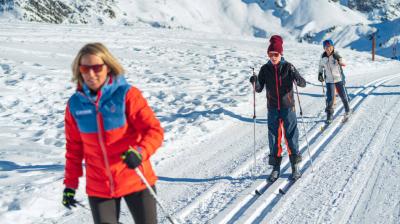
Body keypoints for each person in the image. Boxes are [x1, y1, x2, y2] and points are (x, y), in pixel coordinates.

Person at [61, 43, 164, 224]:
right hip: (99, 186)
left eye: (97, 67)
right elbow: (74, 148)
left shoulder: (127, 95)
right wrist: (70, 184)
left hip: (135, 178)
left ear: (108, 67)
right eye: (85, 68)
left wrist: (140, 153)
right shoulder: (75, 105)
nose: (91, 74)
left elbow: (153, 130)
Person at [249, 35, 306, 182]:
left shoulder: (288, 67)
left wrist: (296, 77)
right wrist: (255, 83)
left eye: (276, 54)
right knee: (274, 138)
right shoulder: (264, 69)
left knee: (291, 136)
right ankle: (275, 168)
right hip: (273, 108)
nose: (273, 57)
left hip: (288, 108)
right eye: (271, 54)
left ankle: (295, 167)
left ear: (281, 54)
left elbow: (302, 83)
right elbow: (260, 89)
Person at [318, 39, 351, 123]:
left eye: (330, 47)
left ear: (333, 47)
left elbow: (344, 63)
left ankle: (347, 109)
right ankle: (329, 115)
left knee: (342, 95)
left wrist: (339, 59)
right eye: (326, 47)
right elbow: (320, 66)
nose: (328, 49)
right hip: (329, 81)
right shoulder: (323, 57)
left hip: (338, 79)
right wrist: (320, 74)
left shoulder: (336, 54)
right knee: (330, 98)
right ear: (324, 48)